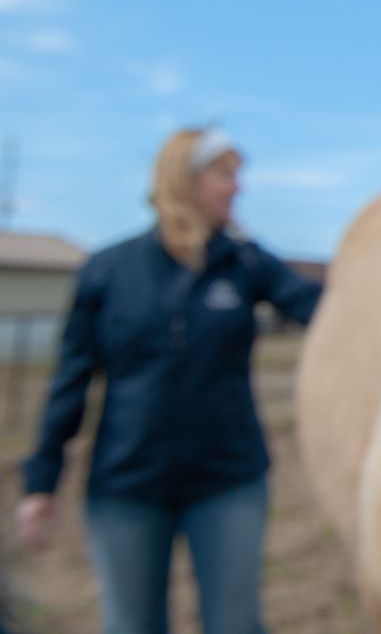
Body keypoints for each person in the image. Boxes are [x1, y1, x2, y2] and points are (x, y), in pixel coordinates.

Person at [13, 129, 322, 634]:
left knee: (236, 624)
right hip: (127, 485)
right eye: (224, 174)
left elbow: (323, 310)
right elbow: (71, 379)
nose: (237, 187)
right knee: (132, 624)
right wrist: (41, 481)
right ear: (184, 179)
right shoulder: (110, 270)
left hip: (228, 479)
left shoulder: (244, 263)